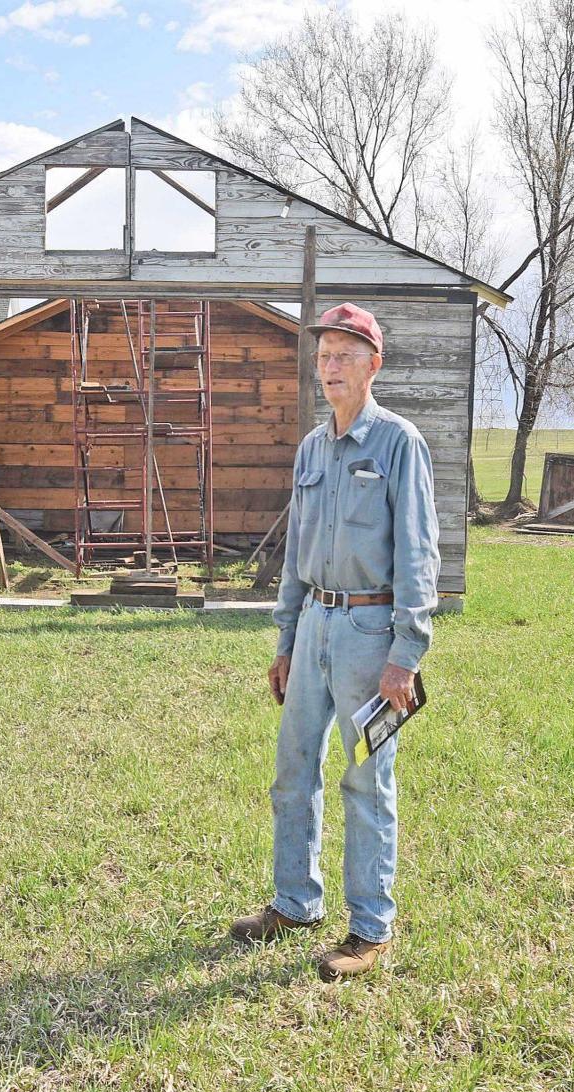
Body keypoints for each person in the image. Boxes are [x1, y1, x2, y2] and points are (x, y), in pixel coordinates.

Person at [229, 302, 441, 981]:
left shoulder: (398, 444)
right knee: (293, 771)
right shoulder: (310, 450)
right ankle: (295, 901)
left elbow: (418, 555)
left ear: (373, 364)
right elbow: (295, 553)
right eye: (324, 355)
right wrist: (286, 638)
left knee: (364, 778)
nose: (331, 366)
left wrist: (404, 655)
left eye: (345, 354)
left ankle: (370, 928)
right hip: (314, 627)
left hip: (368, 638)